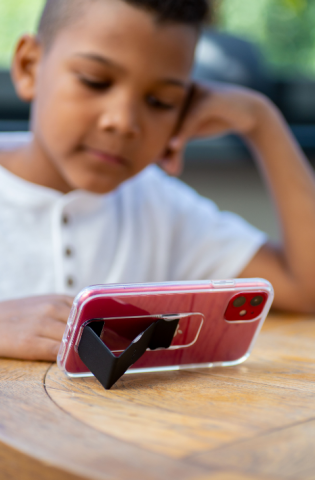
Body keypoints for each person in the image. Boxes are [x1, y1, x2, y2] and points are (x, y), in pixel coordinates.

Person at [0, 0, 315, 362]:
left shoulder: (158, 205)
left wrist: (262, 122)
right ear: (28, 66)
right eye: (95, 81)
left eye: (160, 101)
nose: (123, 121)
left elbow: (308, 287)